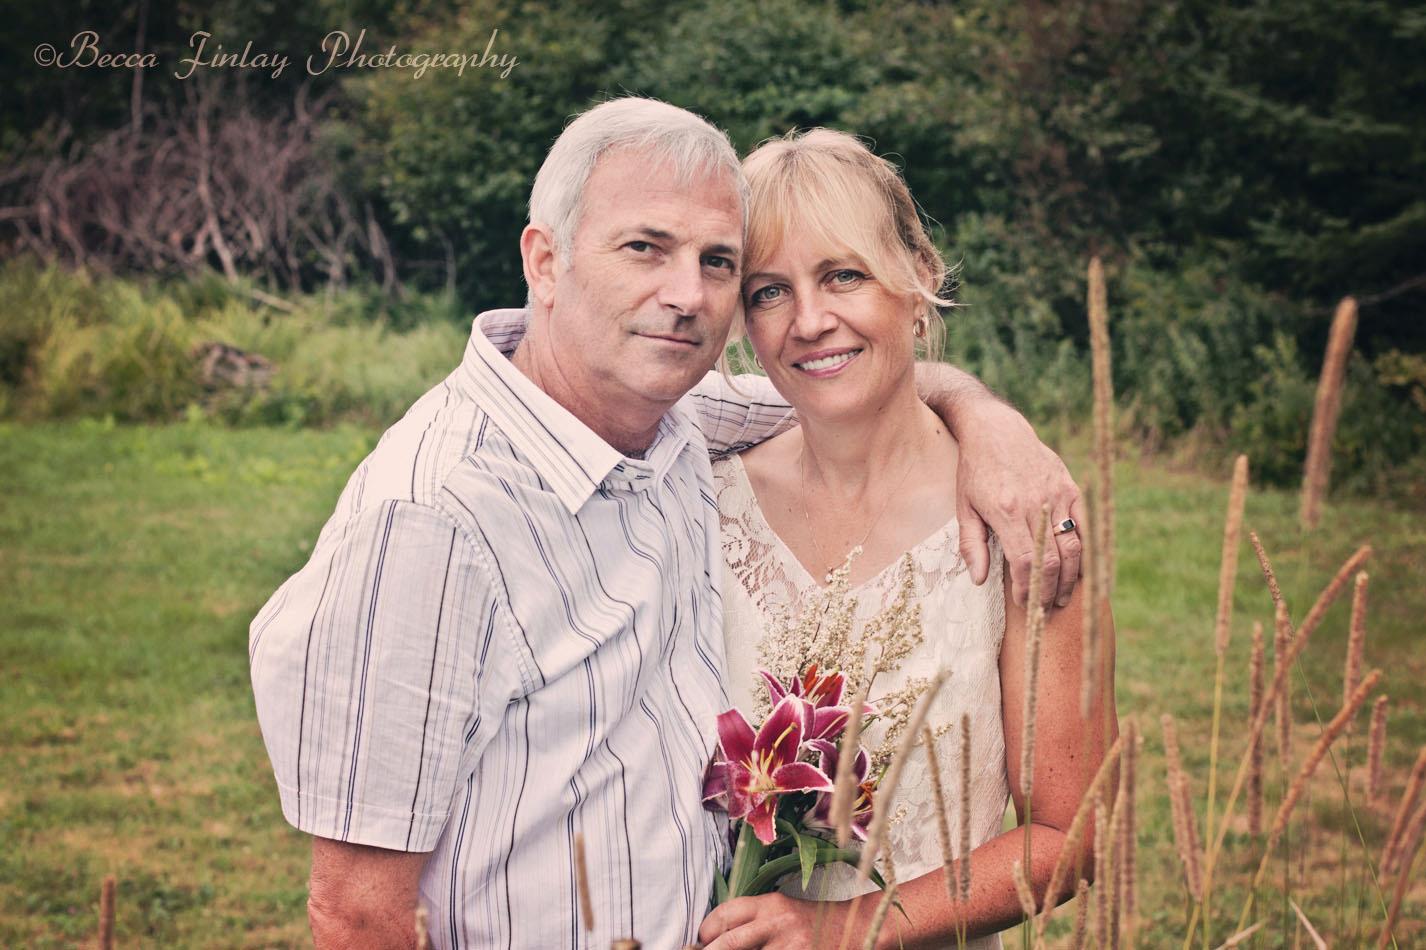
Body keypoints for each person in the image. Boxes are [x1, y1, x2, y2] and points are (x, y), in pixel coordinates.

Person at [248, 98, 1083, 949]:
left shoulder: (680, 427)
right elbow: (355, 911)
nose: (687, 296)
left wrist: (988, 419)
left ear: (919, 275)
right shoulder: (431, 515)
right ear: (544, 261)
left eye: (718, 263)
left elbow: (855, 390)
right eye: (644, 247)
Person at [698, 130, 1117, 950]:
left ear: (918, 277)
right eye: (770, 291)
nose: (810, 321)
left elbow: (1072, 835)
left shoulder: (1020, 518)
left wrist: (847, 927)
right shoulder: (701, 505)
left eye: (843, 275)